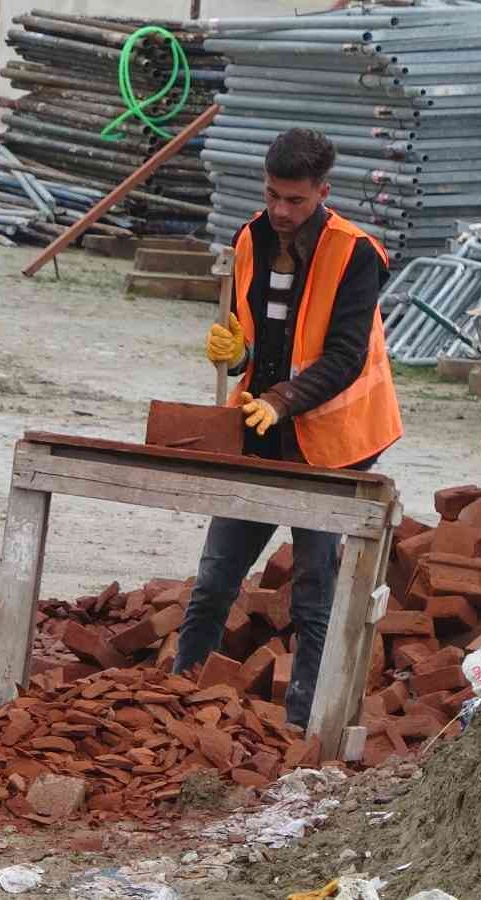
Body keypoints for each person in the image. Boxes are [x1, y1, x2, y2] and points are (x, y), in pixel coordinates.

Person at [171, 127, 403, 730]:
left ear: (322, 192)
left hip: (332, 444)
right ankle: (173, 698)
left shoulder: (356, 255)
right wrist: (238, 356)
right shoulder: (251, 235)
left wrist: (283, 399)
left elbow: (345, 356)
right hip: (262, 429)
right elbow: (262, 339)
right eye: (273, 195)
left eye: (295, 200)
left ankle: (304, 727)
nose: (280, 210)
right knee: (217, 574)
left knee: (313, 592)